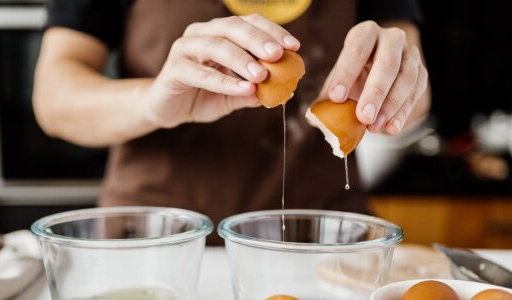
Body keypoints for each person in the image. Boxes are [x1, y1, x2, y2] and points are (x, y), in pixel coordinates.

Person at [33, 0, 430, 244]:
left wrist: (391, 85)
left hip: (321, 240)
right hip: (155, 242)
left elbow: (416, 101)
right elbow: (53, 98)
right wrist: (153, 102)